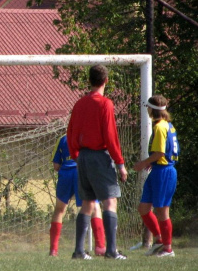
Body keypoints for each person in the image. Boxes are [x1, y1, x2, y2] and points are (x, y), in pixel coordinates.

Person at [67, 65, 128, 260]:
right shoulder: (105, 104)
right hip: (99, 156)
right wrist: (120, 163)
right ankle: (111, 251)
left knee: (87, 203)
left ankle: (79, 251)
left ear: (90, 80)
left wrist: (76, 155)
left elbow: (71, 132)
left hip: (82, 157)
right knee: (110, 201)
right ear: (106, 81)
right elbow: (111, 136)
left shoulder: (79, 104)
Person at [133, 95, 179, 258]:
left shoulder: (160, 127)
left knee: (162, 211)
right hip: (158, 170)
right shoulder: (167, 125)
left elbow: (160, 152)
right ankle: (159, 240)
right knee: (144, 208)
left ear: (151, 109)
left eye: (148, 107)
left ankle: (168, 249)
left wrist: (143, 163)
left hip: (164, 172)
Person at [49, 134, 106, 257]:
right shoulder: (89, 137)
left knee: (59, 210)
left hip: (66, 175)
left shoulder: (63, 138)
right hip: (83, 172)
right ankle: (100, 247)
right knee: (94, 207)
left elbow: (56, 166)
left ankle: (53, 250)